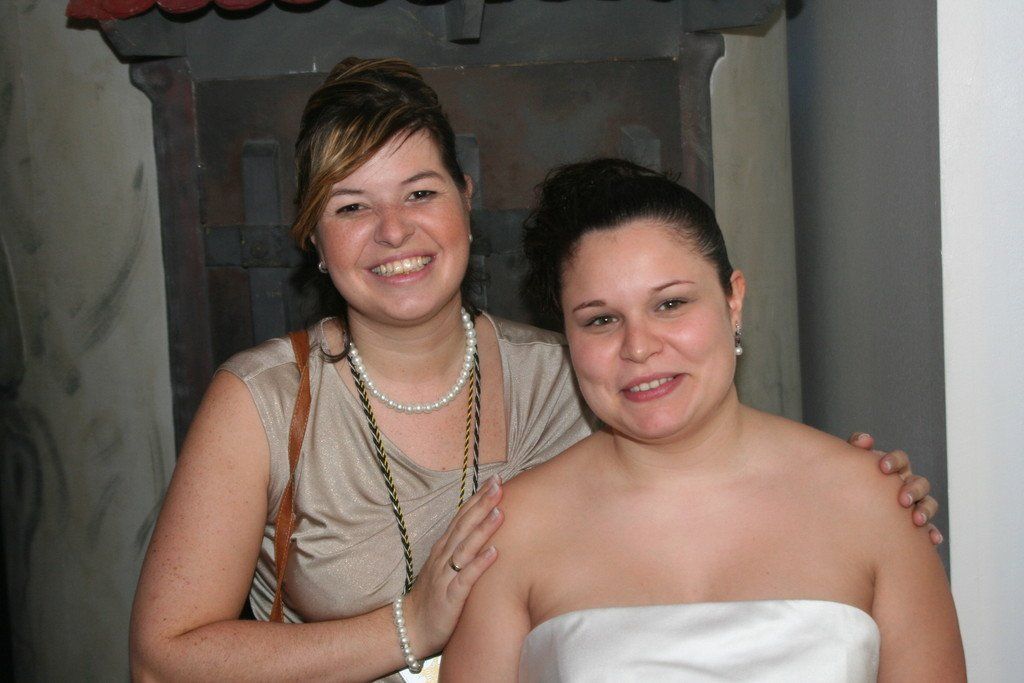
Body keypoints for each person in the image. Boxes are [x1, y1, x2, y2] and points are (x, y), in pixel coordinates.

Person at [129, 59, 939, 682]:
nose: (393, 230)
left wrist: (861, 499)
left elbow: (703, 465)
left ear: (465, 199)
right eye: (351, 206)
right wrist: (410, 624)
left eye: (419, 192)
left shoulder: (578, 372)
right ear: (313, 237)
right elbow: (161, 657)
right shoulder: (265, 399)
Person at [442, 159, 965, 681]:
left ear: (733, 301)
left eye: (670, 304)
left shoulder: (871, 500)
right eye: (601, 319)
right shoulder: (512, 531)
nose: (639, 347)